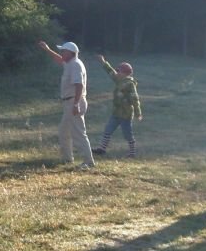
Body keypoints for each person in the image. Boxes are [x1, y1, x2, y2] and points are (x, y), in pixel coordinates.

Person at [37, 40, 95, 168]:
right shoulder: (70, 63)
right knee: (64, 131)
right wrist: (47, 49)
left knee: (78, 133)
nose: (61, 53)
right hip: (70, 102)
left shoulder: (75, 65)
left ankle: (88, 162)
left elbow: (79, 85)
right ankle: (67, 158)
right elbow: (59, 60)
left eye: (63, 51)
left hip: (74, 102)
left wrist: (75, 105)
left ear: (70, 52)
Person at [92, 54, 142, 158]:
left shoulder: (130, 84)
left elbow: (135, 98)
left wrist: (138, 113)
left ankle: (132, 152)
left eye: (119, 71)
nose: (117, 72)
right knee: (108, 130)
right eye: (117, 71)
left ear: (125, 73)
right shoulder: (119, 80)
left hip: (126, 115)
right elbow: (111, 72)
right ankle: (102, 149)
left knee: (127, 134)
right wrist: (103, 62)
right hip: (116, 113)